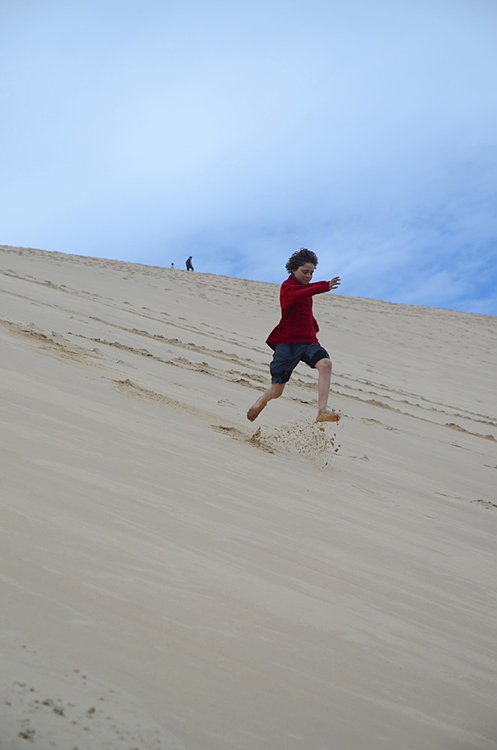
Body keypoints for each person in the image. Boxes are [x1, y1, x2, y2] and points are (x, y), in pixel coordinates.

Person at [247, 248, 341, 423]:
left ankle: (322, 411)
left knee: (325, 364)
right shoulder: (287, 288)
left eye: (312, 273)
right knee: (276, 392)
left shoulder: (306, 289)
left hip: (307, 341)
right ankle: (261, 401)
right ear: (293, 269)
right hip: (288, 343)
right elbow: (299, 295)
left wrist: (313, 324)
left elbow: (303, 308)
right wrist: (323, 286)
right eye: (305, 272)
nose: (309, 276)